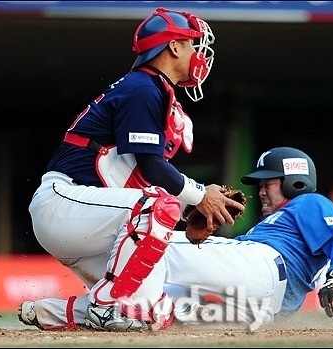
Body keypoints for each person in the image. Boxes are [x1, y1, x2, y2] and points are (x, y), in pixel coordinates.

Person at [19, 7, 245, 332]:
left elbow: (140, 181)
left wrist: (187, 213)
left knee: (153, 313)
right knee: (157, 207)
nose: (198, 54)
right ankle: (106, 303)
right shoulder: (143, 88)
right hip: (62, 202)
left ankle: (55, 312)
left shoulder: (152, 90)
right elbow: (152, 170)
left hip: (90, 217)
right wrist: (199, 195)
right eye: (193, 44)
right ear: (175, 47)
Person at [19, 147, 333, 332]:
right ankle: (56, 312)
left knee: (146, 236)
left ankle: (95, 291)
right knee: (153, 308)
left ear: (294, 183)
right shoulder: (269, 225)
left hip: (263, 268)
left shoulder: (309, 202)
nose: (261, 189)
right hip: (262, 310)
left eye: (269, 182)